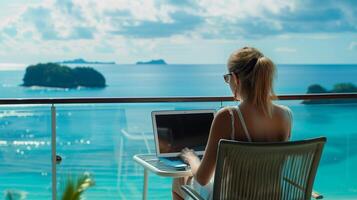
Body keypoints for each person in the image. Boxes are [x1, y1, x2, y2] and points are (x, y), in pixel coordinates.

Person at [172, 47, 293, 200]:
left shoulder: (228, 116)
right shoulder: (286, 115)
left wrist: (191, 158)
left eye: (227, 78)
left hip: (232, 196)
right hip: (272, 196)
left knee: (178, 180)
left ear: (235, 79)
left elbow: (202, 178)